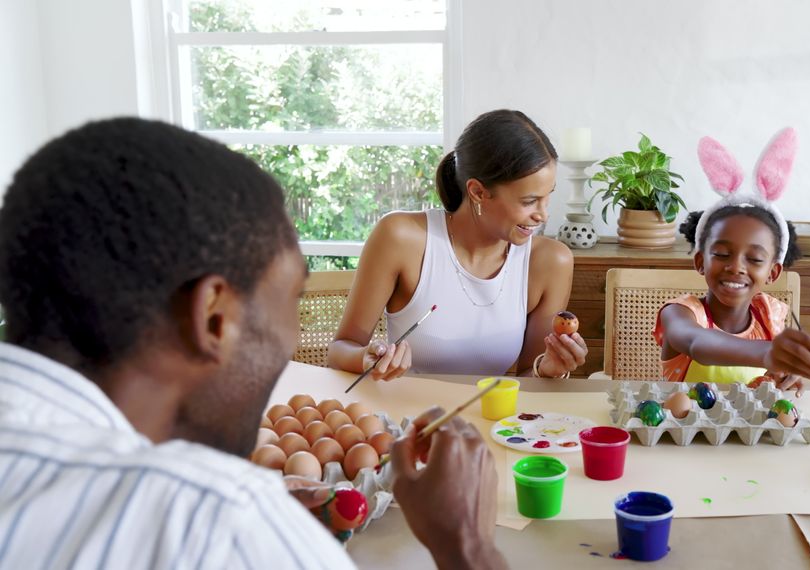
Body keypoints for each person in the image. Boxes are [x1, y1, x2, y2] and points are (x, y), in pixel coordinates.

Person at [0, 118, 507, 569]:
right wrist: (466, 546)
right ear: (214, 318)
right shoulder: (220, 519)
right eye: (290, 300)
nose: (290, 337)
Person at [328, 110, 587, 380]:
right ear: (478, 192)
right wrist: (366, 358)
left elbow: (527, 377)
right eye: (529, 201)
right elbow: (340, 350)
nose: (543, 215)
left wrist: (548, 369)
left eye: (547, 197)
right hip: (405, 407)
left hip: (492, 408)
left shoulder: (550, 261)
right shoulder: (401, 237)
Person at [653, 129, 810, 394]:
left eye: (755, 258)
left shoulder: (769, 317)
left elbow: (768, 377)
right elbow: (696, 343)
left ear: (772, 272)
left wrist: (783, 373)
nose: (736, 267)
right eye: (722, 254)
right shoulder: (680, 314)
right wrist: (767, 352)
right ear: (700, 261)